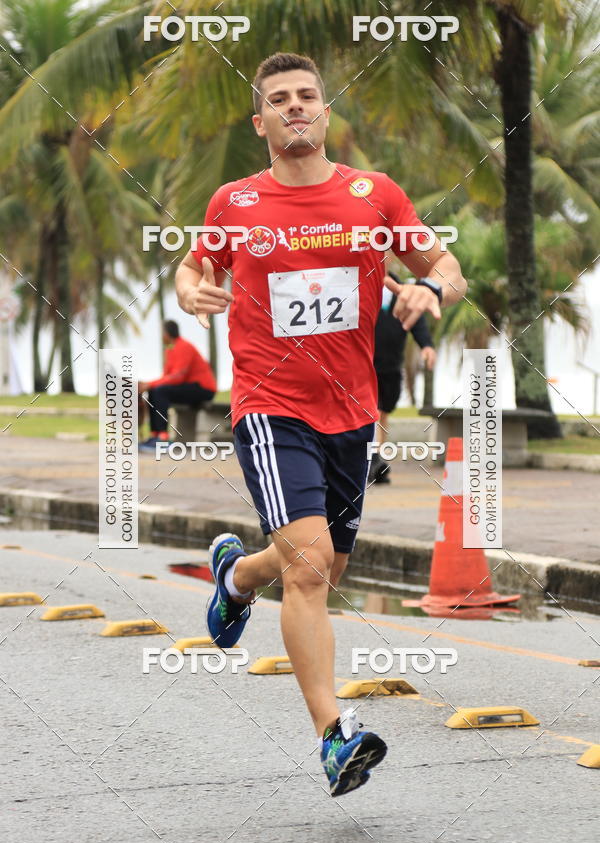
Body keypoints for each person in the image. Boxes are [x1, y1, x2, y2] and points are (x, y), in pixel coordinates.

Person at [175, 52, 467, 796]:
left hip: (351, 413)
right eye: (280, 99)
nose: (296, 107)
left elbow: (446, 263)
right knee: (309, 568)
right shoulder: (234, 203)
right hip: (271, 409)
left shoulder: (375, 196)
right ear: (261, 121)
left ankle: (237, 578)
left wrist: (429, 287)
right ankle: (334, 739)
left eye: (308, 96)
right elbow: (190, 268)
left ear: (326, 112)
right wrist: (191, 293)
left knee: (326, 567)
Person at [371, 273, 437, 484]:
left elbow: (416, 322)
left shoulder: (402, 291)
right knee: (373, 411)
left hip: (390, 365)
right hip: (365, 366)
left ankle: (376, 457)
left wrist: (426, 345)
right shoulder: (359, 287)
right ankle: (373, 458)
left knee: (383, 414)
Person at [138, 320, 216, 452]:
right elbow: (166, 377)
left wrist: (149, 384)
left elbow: (178, 376)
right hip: (188, 386)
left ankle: (163, 438)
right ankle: (155, 435)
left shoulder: (184, 346)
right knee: (154, 391)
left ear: (167, 333)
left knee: (160, 391)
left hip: (203, 389)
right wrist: (147, 385)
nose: (161, 336)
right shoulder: (170, 350)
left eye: (162, 333)